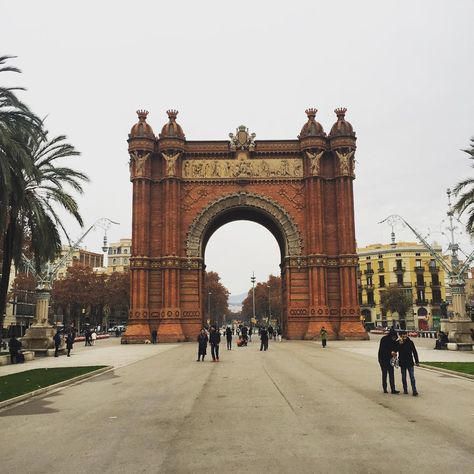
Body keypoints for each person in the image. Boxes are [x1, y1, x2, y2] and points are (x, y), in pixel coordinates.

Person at [378, 328, 400, 394]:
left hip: (390, 360)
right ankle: (385, 388)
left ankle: (393, 389)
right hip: (383, 359)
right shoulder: (384, 339)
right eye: (393, 337)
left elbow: (396, 348)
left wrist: (396, 349)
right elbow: (382, 350)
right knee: (384, 374)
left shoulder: (394, 341)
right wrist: (390, 352)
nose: (394, 338)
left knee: (391, 374)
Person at [397, 331, 419, 396]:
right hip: (402, 362)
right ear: (401, 336)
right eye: (403, 335)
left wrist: (417, 361)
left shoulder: (410, 342)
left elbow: (414, 351)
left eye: (405, 334)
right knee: (404, 377)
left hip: (410, 362)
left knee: (412, 377)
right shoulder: (399, 342)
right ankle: (405, 389)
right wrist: (400, 344)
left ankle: (414, 390)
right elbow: (396, 350)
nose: (404, 336)